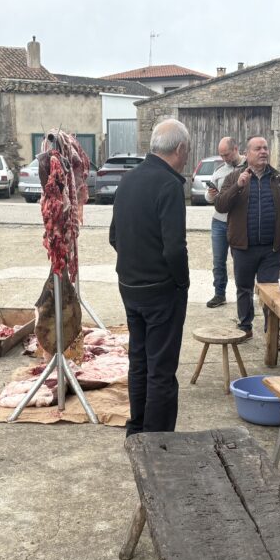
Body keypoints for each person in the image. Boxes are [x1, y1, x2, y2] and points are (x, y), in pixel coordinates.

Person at [109, 118, 191, 435]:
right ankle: (157, 441)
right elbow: (174, 249)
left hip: (129, 286)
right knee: (161, 368)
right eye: (187, 152)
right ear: (180, 149)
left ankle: (137, 428)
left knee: (140, 361)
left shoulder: (128, 179)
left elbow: (115, 236)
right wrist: (181, 282)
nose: (186, 158)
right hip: (160, 291)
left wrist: (135, 264)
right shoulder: (169, 185)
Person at [214, 136, 280, 343]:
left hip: (271, 249)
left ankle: (273, 333)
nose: (263, 152)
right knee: (244, 289)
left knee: (271, 293)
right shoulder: (234, 177)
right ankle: (245, 327)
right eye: (258, 149)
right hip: (243, 247)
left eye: (265, 148)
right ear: (247, 154)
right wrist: (238, 186)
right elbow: (220, 206)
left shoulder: (278, 179)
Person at [204, 137, 245, 308]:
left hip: (239, 222)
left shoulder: (249, 167)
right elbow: (208, 198)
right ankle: (219, 294)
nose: (224, 158)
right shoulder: (219, 171)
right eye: (221, 155)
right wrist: (211, 194)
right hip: (219, 221)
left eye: (226, 154)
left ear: (236, 149)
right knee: (218, 261)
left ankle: (243, 295)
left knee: (241, 261)